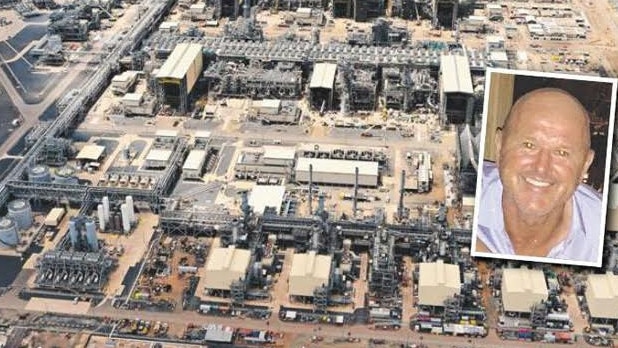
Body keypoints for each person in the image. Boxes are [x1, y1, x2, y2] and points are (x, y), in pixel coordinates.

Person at [475, 87, 602, 263]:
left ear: (585, 165)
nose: (541, 168)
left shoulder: (601, 231)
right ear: (499, 146)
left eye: (562, 153)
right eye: (529, 145)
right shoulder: (462, 191)